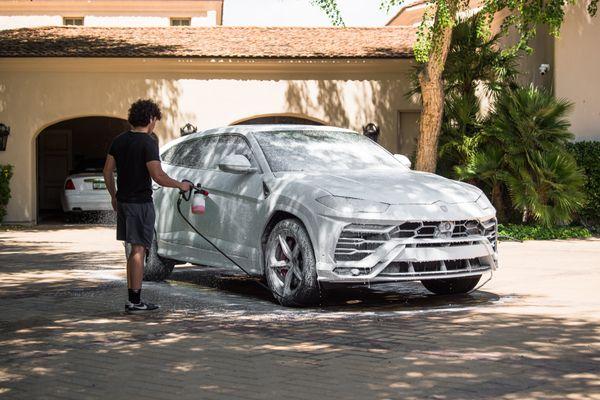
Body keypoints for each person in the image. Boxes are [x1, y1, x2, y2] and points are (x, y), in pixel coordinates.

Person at [103, 99, 192, 312]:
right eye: (155, 121)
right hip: (140, 204)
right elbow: (158, 176)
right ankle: (134, 301)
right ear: (150, 119)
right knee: (138, 250)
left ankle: (134, 298)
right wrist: (182, 185)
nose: (155, 125)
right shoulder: (148, 142)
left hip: (124, 202)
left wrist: (114, 196)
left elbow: (107, 171)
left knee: (134, 250)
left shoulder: (119, 140)